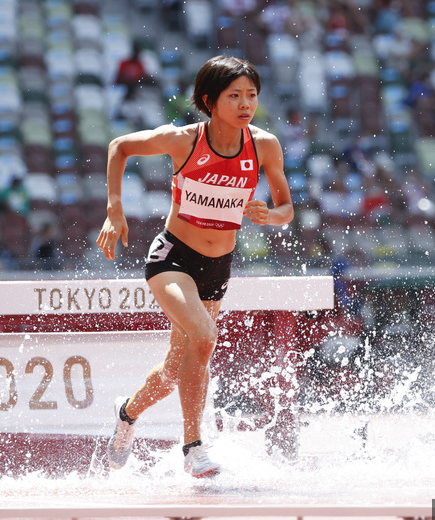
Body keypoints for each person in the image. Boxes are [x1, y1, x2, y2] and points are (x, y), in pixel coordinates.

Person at [96, 55, 293, 478]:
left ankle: (127, 413)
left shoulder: (264, 145)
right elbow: (119, 147)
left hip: (218, 264)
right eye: (234, 96)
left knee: (175, 367)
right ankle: (193, 447)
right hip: (173, 258)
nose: (246, 104)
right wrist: (115, 210)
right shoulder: (184, 140)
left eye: (252, 95)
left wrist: (271, 216)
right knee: (204, 338)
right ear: (210, 100)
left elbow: (287, 208)